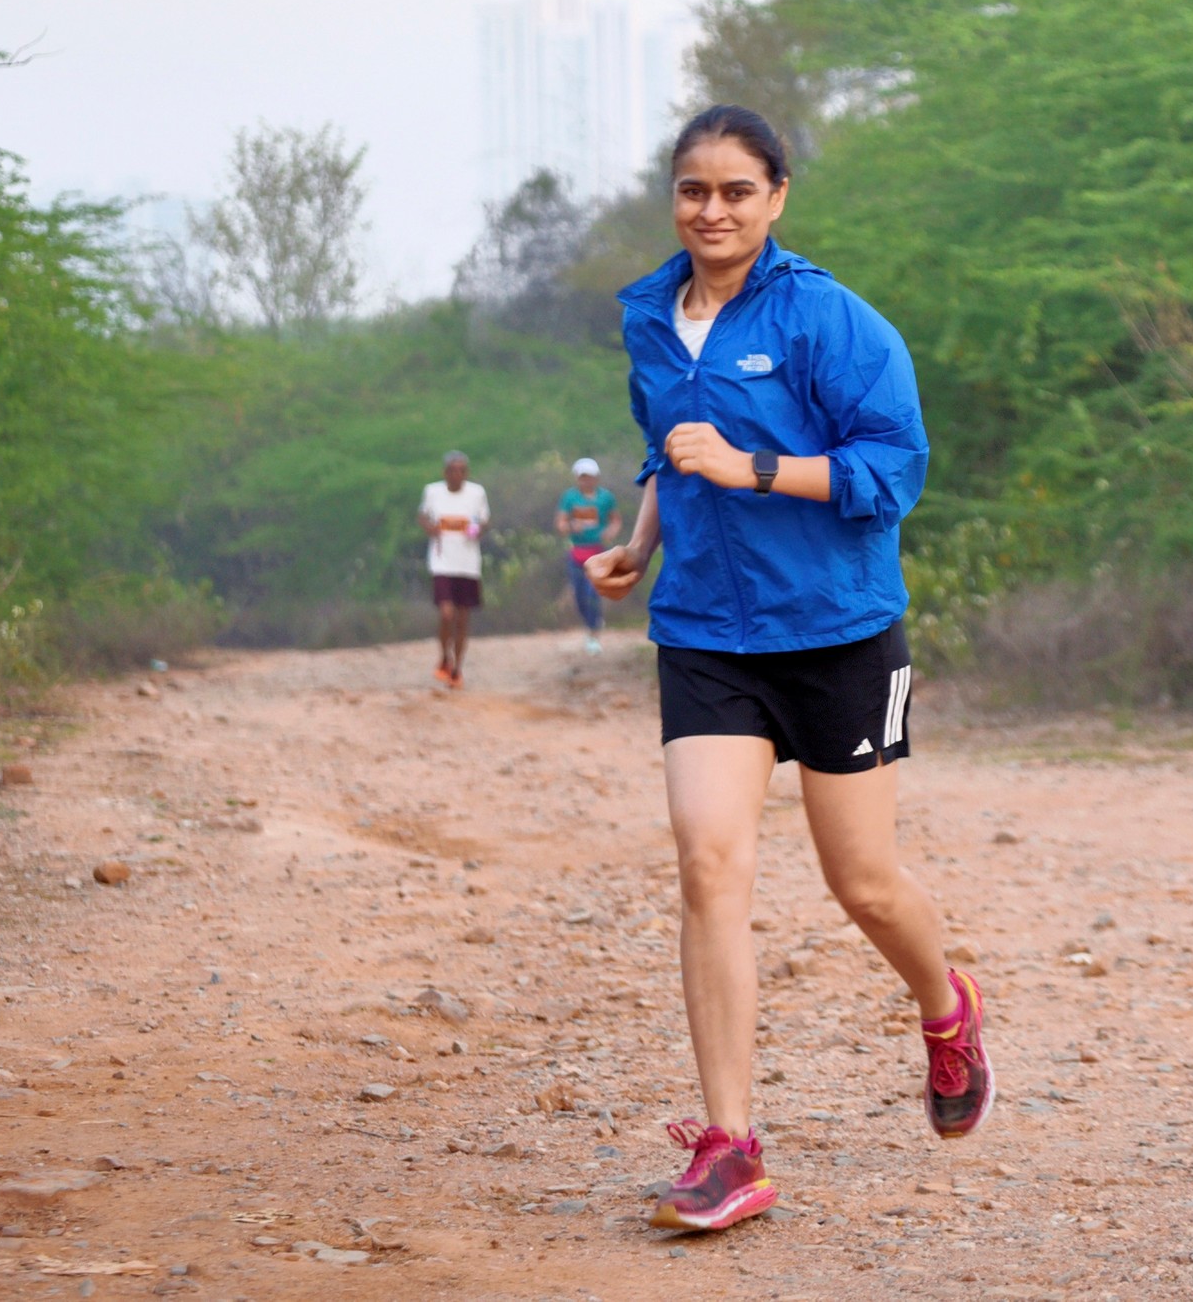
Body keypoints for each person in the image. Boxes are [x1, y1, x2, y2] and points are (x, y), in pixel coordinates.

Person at [585, 103, 993, 1236]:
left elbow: (892, 470)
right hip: (705, 632)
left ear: (776, 197)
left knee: (861, 882)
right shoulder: (650, 317)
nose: (711, 210)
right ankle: (729, 1145)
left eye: (735, 191)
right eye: (691, 189)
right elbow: (669, 452)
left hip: (838, 632)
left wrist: (752, 467)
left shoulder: (830, 318)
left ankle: (944, 1005)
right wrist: (637, 544)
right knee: (708, 864)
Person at [417, 450, 489, 690]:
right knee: (446, 613)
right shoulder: (432, 492)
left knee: (463, 618)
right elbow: (422, 516)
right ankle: (444, 656)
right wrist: (430, 529)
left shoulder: (476, 493)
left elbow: (484, 520)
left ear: (466, 473)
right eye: (452, 470)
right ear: (445, 472)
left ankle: (457, 667)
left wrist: (477, 530)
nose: (457, 475)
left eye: (461, 470)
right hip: (442, 561)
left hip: (468, 564)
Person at [555, 455, 621, 652]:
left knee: (593, 593)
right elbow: (561, 523)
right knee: (580, 595)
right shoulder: (569, 498)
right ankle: (590, 622)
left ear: (596, 477)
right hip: (577, 553)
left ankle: (594, 632)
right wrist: (570, 526)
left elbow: (615, 520)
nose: (586, 481)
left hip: (598, 552)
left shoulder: (606, 497)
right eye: (582, 477)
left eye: (589, 477)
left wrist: (610, 532)